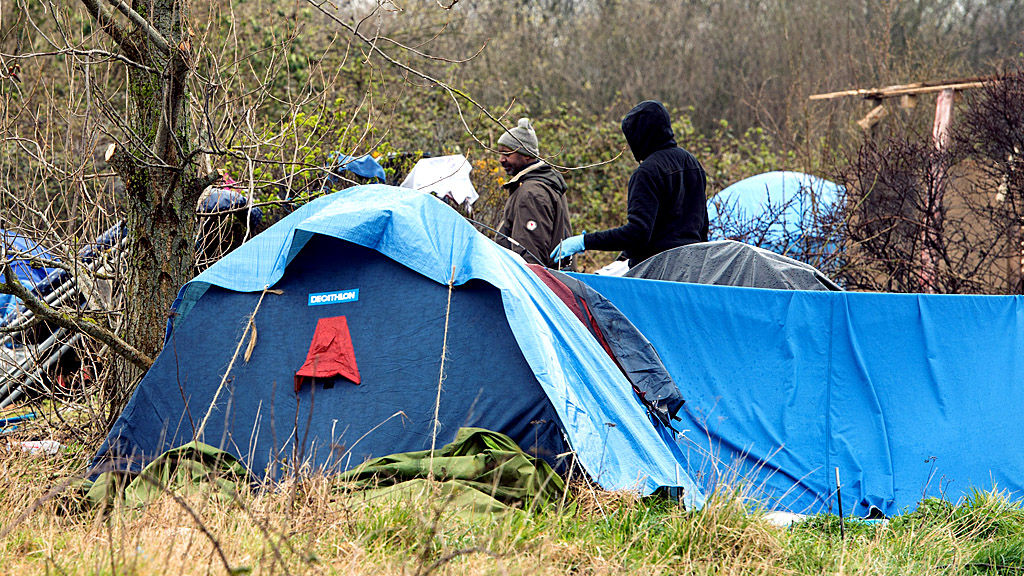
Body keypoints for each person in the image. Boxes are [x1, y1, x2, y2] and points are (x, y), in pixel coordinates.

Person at [551, 100, 708, 268]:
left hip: (655, 273)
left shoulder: (647, 172)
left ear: (638, 136)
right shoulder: (692, 163)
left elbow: (637, 233)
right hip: (692, 269)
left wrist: (585, 241)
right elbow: (701, 225)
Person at [494, 117, 573, 269]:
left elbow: (529, 254)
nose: (501, 159)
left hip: (534, 285)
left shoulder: (531, 193)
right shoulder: (544, 182)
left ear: (527, 155)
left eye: (507, 154)